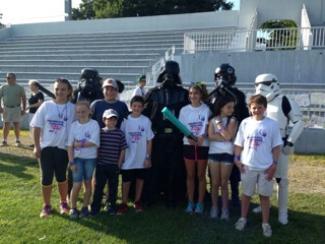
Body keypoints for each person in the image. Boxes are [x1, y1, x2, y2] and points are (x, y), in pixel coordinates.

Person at [253, 73, 304, 225]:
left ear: (274, 83)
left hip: (279, 143)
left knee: (281, 180)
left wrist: (290, 142)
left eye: (265, 83)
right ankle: (263, 206)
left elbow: (298, 122)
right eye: (257, 84)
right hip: (261, 144)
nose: (260, 87)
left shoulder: (284, 100)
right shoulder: (256, 103)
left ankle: (283, 212)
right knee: (261, 178)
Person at [234, 94, 282, 237]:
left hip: (266, 167)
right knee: (246, 194)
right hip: (247, 166)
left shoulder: (272, 124)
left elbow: (277, 147)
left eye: (260, 107)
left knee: (264, 196)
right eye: (254, 108)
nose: (257, 110)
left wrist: (274, 165)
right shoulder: (245, 123)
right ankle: (243, 218)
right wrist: (237, 159)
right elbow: (238, 143)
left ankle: (265, 223)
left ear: (265, 108)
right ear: (250, 108)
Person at [143, 60, 189, 207]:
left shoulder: (184, 94)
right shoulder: (153, 93)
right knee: (156, 167)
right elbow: (145, 114)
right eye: (167, 74)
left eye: (172, 74)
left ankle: (174, 195)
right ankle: (154, 194)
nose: (169, 77)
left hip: (176, 137)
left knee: (175, 167)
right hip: (158, 136)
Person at [30, 78, 75, 218]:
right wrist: (37, 147)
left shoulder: (73, 108)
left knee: (62, 177)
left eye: (63, 89)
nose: (59, 92)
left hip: (63, 149)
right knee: (46, 178)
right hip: (47, 148)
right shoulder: (46, 106)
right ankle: (47, 205)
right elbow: (36, 127)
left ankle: (63, 203)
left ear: (68, 91)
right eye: (57, 89)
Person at [207, 63, 249, 207]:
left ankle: (235, 196)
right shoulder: (212, 95)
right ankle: (215, 199)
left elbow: (244, 117)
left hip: (235, 138)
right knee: (214, 172)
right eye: (219, 76)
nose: (222, 79)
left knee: (234, 172)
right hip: (215, 141)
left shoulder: (238, 95)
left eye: (226, 76)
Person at [117, 96, 154, 214]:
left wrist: (148, 157)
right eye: (134, 106)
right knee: (126, 181)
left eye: (139, 106)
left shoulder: (146, 121)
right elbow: (121, 140)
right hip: (128, 157)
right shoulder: (125, 120)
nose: (137, 108)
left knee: (140, 180)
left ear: (143, 108)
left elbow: (149, 140)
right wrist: (121, 158)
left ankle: (137, 201)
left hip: (141, 158)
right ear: (131, 106)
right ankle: (124, 203)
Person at [179, 82, 211, 214]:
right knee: (190, 175)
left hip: (202, 145)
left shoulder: (206, 109)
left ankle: (200, 203)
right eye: (191, 93)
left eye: (196, 93)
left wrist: (203, 135)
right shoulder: (184, 110)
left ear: (201, 94)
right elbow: (182, 127)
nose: (193, 96)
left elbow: (209, 126)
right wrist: (189, 138)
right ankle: (190, 202)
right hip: (189, 145)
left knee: (201, 175)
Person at [91, 109, 127, 215]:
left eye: (114, 119)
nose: (111, 121)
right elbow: (96, 147)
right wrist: (96, 160)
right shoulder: (100, 132)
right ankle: (95, 207)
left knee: (113, 188)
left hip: (113, 165)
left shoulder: (120, 133)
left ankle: (111, 205)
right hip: (101, 165)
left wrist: (119, 163)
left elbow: (123, 149)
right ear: (104, 120)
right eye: (109, 119)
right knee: (98, 187)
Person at [67, 101, 100, 218]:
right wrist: (71, 162)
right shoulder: (74, 126)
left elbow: (94, 142)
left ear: (89, 111)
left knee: (88, 183)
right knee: (76, 184)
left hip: (90, 159)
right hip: (77, 159)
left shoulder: (94, 124)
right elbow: (70, 145)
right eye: (78, 112)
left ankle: (85, 207)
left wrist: (79, 143)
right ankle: (73, 208)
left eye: (83, 111)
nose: (81, 114)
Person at [208, 95, 237, 220]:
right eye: (228, 107)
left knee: (224, 183)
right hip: (214, 153)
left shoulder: (233, 120)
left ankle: (225, 209)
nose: (231, 110)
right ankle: (214, 207)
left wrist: (219, 126)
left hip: (227, 153)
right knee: (214, 183)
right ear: (221, 107)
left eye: (232, 107)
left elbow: (228, 136)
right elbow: (210, 136)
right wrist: (224, 136)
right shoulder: (213, 119)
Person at [0, 73, 26, 147]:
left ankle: (17, 140)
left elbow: (24, 98)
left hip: (16, 108)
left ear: (14, 79)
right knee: (6, 124)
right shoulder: (3, 87)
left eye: (9, 78)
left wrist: (24, 109)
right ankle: (4, 141)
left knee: (16, 124)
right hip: (6, 108)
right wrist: (0, 107)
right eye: (7, 78)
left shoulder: (19, 87)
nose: (7, 79)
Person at [26, 80, 44, 146]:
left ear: (35, 86)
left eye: (31, 85)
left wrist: (30, 106)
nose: (30, 87)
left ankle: (40, 142)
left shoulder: (40, 94)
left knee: (38, 127)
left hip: (37, 113)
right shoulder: (32, 94)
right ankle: (34, 142)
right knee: (31, 127)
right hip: (31, 113)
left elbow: (40, 103)